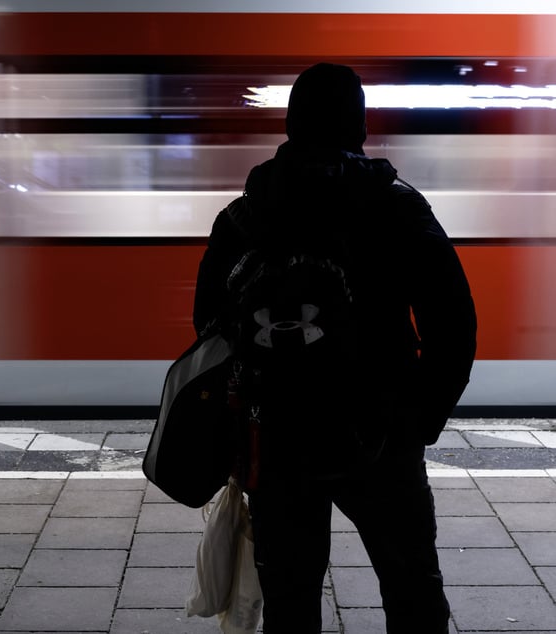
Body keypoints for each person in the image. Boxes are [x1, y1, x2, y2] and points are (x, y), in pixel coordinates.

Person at [191, 63, 477, 634]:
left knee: (291, 600)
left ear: (292, 124)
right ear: (359, 125)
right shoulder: (398, 208)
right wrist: (419, 420)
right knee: (412, 588)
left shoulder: (244, 215)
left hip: (277, 438)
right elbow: (454, 325)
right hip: (381, 433)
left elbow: (209, 327)